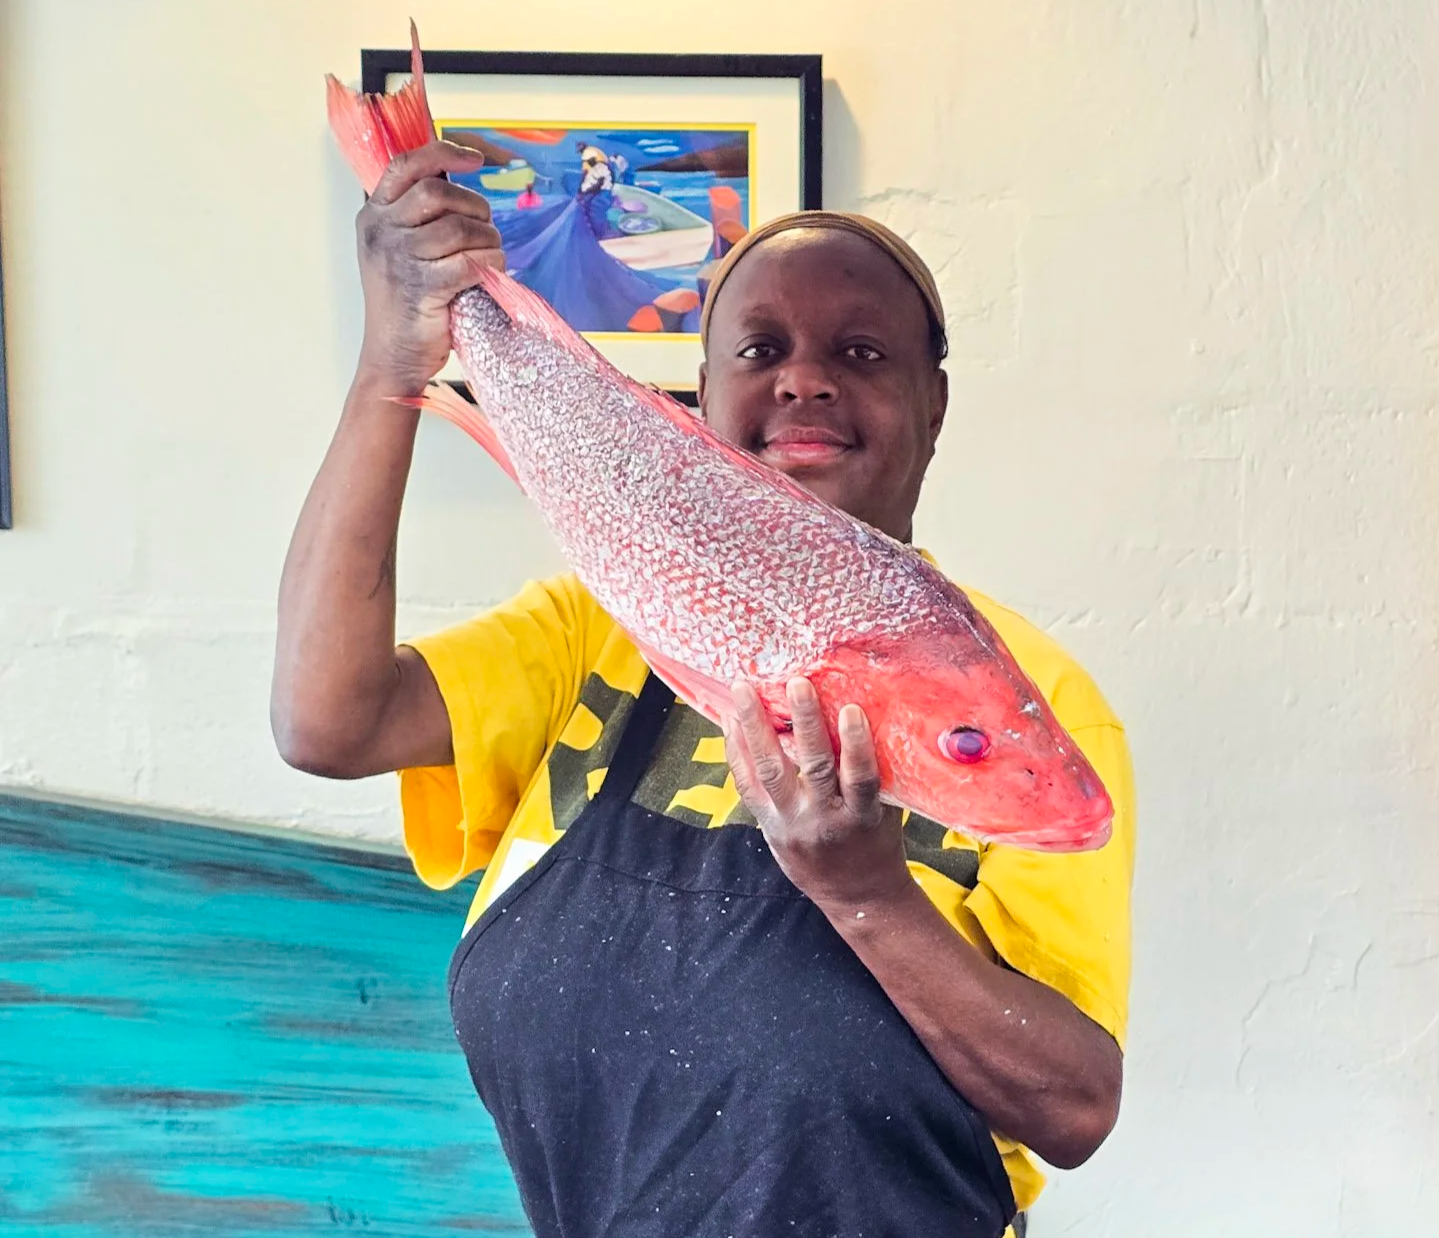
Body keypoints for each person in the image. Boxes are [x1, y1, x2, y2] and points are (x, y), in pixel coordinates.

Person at [271, 140, 1135, 1238]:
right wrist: (389, 366)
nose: (804, 378)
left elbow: (1071, 1104)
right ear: (703, 401)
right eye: (760, 348)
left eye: (860, 351)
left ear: (933, 405)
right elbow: (323, 718)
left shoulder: (1028, 713)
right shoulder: (600, 626)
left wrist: (867, 894)